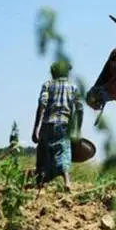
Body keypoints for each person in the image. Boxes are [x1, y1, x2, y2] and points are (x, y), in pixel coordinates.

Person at [32, 60, 83, 192]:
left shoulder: (47, 85)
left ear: (54, 72)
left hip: (47, 123)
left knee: (43, 153)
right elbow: (79, 110)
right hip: (64, 124)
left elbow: (42, 105)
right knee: (64, 152)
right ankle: (67, 181)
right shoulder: (73, 88)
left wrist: (36, 129)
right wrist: (78, 129)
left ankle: (42, 185)